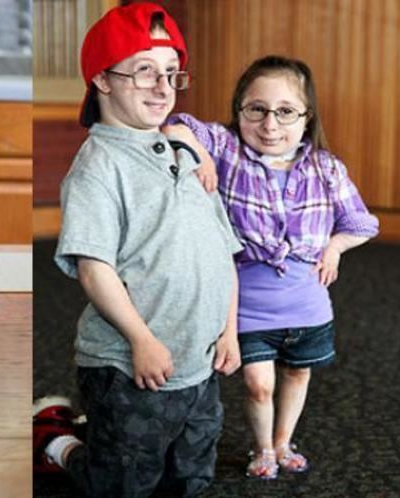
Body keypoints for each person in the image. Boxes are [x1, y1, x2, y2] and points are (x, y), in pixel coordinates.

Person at [33, 4, 243, 497]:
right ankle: (56, 441)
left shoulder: (187, 155)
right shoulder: (98, 168)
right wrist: (141, 340)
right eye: (144, 71)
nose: (162, 87)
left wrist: (230, 330)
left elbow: (222, 253)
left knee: (190, 477)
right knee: (122, 483)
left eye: (171, 73)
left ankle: (83, 430)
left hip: (200, 361)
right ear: (103, 80)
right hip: (129, 366)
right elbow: (94, 269)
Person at [163, 55, 379, 479]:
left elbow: (362, 223)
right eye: (256, 110)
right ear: (239, 110)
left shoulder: (326, 167)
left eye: (285, 112)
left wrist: (334, 247)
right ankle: (262, 448)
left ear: (306, 116)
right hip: (247, 303)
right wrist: (200, 156)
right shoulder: (228, 151)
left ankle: (283, 441)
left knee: (298, 375)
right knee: (258, 383)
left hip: (307, 303)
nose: (270, 124)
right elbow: (175, 126)